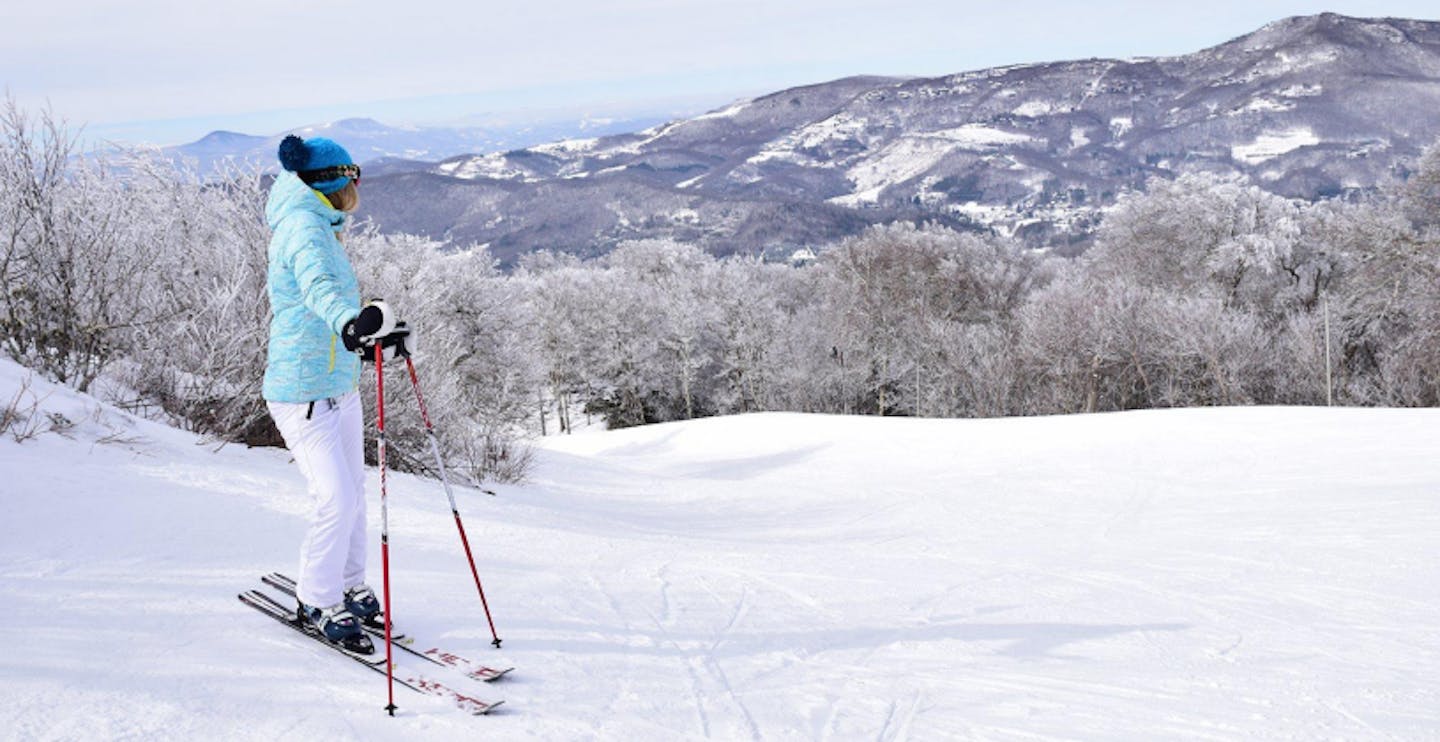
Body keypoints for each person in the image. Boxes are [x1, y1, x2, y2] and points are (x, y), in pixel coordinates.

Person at [262, 134, 410, 654]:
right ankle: (318, 599)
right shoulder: (304, 228)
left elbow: (332, 301)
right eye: (353, 176)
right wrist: (351, 324)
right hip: (301, 392)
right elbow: (318, 288)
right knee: (336, 498)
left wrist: (375, 335)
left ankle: (348, 582)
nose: (357, 187)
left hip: (336, 387)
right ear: (330, 181)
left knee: (355, 495)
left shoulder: (320, 224)